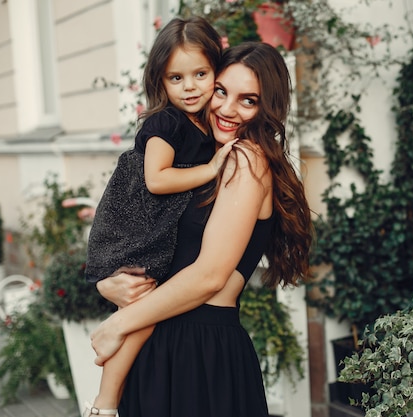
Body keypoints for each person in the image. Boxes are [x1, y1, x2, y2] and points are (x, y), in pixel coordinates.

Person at [90, 42, 313, 417]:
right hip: (165, 343)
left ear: (267, 108)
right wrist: (108, 283)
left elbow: (210, 275)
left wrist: (119, 323)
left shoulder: (247, 158)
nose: (227, 109)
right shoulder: (206, 157)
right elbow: (156, 246)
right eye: (222, 91)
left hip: (197, 351)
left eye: (248, 100)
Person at [82, 16, 235, 417]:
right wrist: (212, 169)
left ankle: (105, 403)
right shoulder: (166, 123)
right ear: (160, 82)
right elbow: (156, 179)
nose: (190, 87)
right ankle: (104, 404)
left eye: (200, 74)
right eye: (176, 78)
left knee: (140, 316)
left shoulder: (202, 123)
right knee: (138, 315)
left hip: (152, 229)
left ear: (216, 71)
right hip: (133, 227)